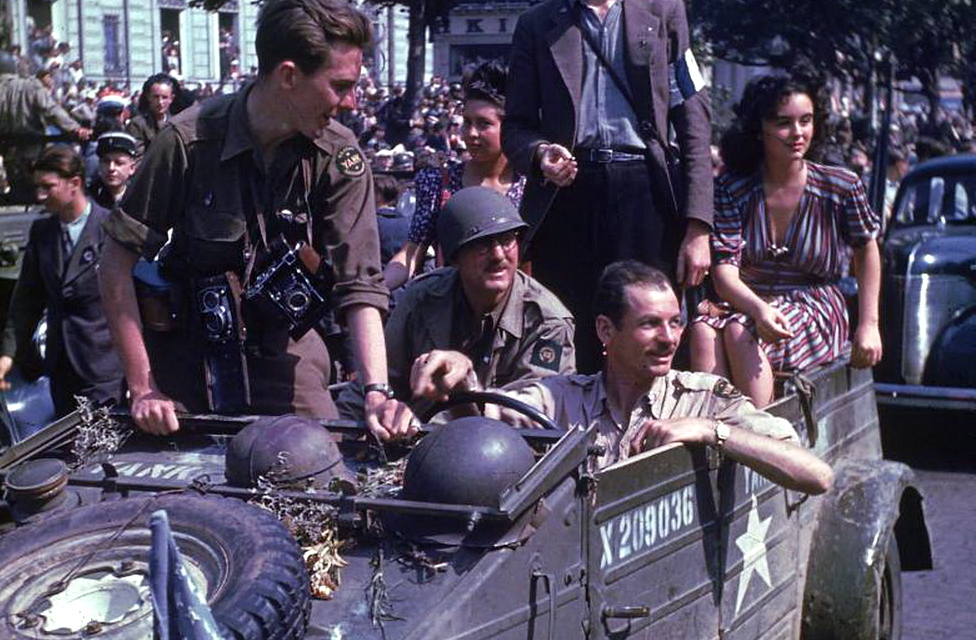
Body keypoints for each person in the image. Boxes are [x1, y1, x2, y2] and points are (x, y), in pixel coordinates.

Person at [100, 0, 393, 436]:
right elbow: (114, 265)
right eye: (340, 86)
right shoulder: (187, 142)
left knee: (319, 467)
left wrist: (377, 391)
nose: (351, 102)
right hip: (188, 353)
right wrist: (143, 388)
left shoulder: (337, 155)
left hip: (284, 349)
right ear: (289, 76)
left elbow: (361, 285)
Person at [503, 0, 713, 370]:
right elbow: (514, 127)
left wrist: (698, 226)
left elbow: (695, 119)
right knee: (569, 333)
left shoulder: (665, 14)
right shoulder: (538, 25)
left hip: (645, 197)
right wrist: (540, 154)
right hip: (568, 202)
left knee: (648, 330)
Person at [499, 261, 832, 493]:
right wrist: (460, 376)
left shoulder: (703, 398)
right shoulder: (562, 399)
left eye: (675, 322)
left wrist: (710, 430)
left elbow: (815, 475)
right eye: (650, 324)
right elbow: (482, 418)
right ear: (605, 330)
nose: (670, 338)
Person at [689, 73, 882, 406]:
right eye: (784, 123)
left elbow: (866, 250)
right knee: (702, 331)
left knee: (739, 331)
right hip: (748, 301)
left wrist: (869, 324)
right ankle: (717, 441)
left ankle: (760, 442)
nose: (797, 134)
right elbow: (724, 275)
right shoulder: (733, 190)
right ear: (759, 129)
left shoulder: (841, 186)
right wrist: (759, 308)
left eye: (805, 121)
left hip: (815, 304)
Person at [363, 188, 575, 438]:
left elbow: (538, 412)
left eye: (507, 240)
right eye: (482, 245)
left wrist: (468, 386)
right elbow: (378, 379)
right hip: (416, 444)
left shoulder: (547, 322)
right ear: (454, 258)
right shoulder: (422, 298)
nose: (498, 255)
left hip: (511, 456)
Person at [0, 144, 124, 416]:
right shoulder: (42, 232)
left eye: (48, 187)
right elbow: (27, 299)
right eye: (37, 187)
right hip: (62, 370)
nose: (40, 195)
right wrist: (8, 354)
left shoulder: (112, 228)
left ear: (74, 183)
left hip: (104, 368)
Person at [385, 60, 524, 290]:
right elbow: (411, 253)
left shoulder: (530, 186)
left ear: (508, 127)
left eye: (483, 124)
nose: (471, 134)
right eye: (467, 122)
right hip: (451, 310)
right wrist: (374, 292)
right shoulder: (439, 183)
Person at [0, 49, 90, 203]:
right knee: (44, 200)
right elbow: (51, 111)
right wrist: (75, 129)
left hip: (10, 160)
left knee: (19, 198)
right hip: (37, 156)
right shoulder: (31, 86)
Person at [127, 74, 178, 157]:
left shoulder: (176, 123)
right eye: (156, 97)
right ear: (148, 97)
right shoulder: (137, 124)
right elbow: (137, 156)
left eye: (164, 97)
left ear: (171, 99)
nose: (160, 102)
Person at [89, 130, 139, 208]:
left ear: (132, 168)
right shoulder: (88, 198)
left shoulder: (139, 197)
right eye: (106, 161)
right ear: (99, 165)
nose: (111, 168)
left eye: (118, 163)